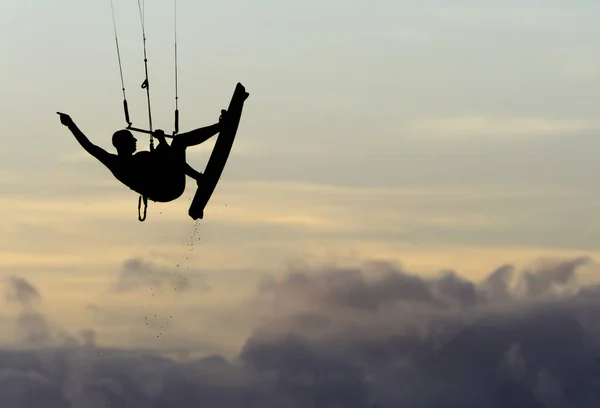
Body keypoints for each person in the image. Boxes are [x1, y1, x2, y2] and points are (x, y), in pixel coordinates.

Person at [57, 110, 228, 202]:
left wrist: (162, 144)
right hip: (168, 189)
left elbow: (166, 159)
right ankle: (200, 175)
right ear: (122, 144)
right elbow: (90, 147)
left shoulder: (125, 161)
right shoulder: (117, 163)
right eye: (132, 139)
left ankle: (220, 127)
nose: (136, 139)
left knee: (174, 144)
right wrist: (71, 125)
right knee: (178, 141)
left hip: (166, 186)